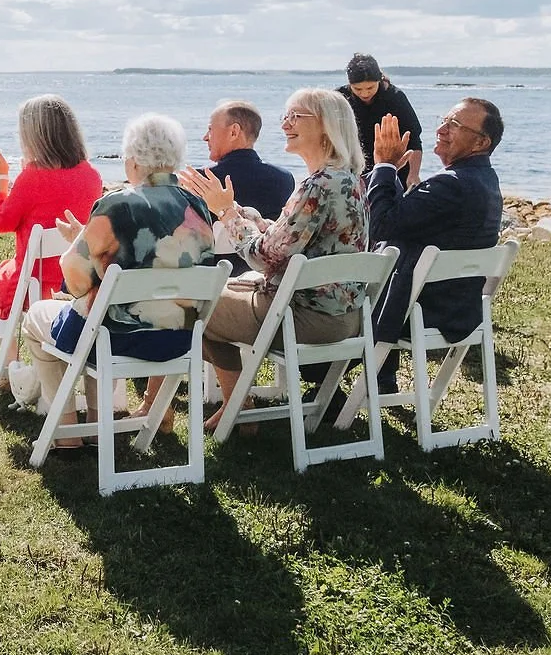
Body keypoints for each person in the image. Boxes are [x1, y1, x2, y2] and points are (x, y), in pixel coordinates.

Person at [18, 114, 216, 448]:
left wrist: (76, 242)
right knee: (100, 315)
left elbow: (77, 279)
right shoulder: (196, 205)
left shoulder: (118, 204)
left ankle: (67, 434)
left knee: (39, 318)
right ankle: (97, 425)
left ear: (134, 160)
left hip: (117, 339)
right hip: (177, 340)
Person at [179, 87, 369, 430]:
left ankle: (239, 404)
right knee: (209, 295)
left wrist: (224, 213)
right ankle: (239, 404)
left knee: (189, 303)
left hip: (305, 318)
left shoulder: (317, 186)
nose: (285, 124)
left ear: (326, 126)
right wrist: (241, 213)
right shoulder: (350, 180)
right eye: (286, 116)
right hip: (346, 316)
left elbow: (263, 259)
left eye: (296, 116)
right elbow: (294, 240)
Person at [366, 97, 505, 393]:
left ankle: (326, 386)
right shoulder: (484, 180)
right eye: (444, 120)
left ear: (481, 142)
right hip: (457, 308)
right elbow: (408, 220)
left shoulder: (452, 185)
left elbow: (381, 226)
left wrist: (384, 166)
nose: (441, 129)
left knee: (334, 301)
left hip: (420, 310)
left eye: (454, 125)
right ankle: (380, 378)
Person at [0, 95, 105, 323]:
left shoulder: (33, 177)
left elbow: (0, 221)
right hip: (77, 280)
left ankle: (8, 356)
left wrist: (2, 177)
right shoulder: (92, 176)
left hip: (33, 282)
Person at [203, 100, 294, 219]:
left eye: (210, 130)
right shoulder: (284, 179)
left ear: (233, 132)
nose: (205, 137)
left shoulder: (203, 181)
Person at [340, 54, 423, 183]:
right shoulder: (340, 98)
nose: (364, 93)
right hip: (353, 171)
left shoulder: (395, 98)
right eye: (357, 89)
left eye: (370, 88)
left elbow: (414, 139)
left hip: (394, 170)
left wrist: (413, 174)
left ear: (379, 80)